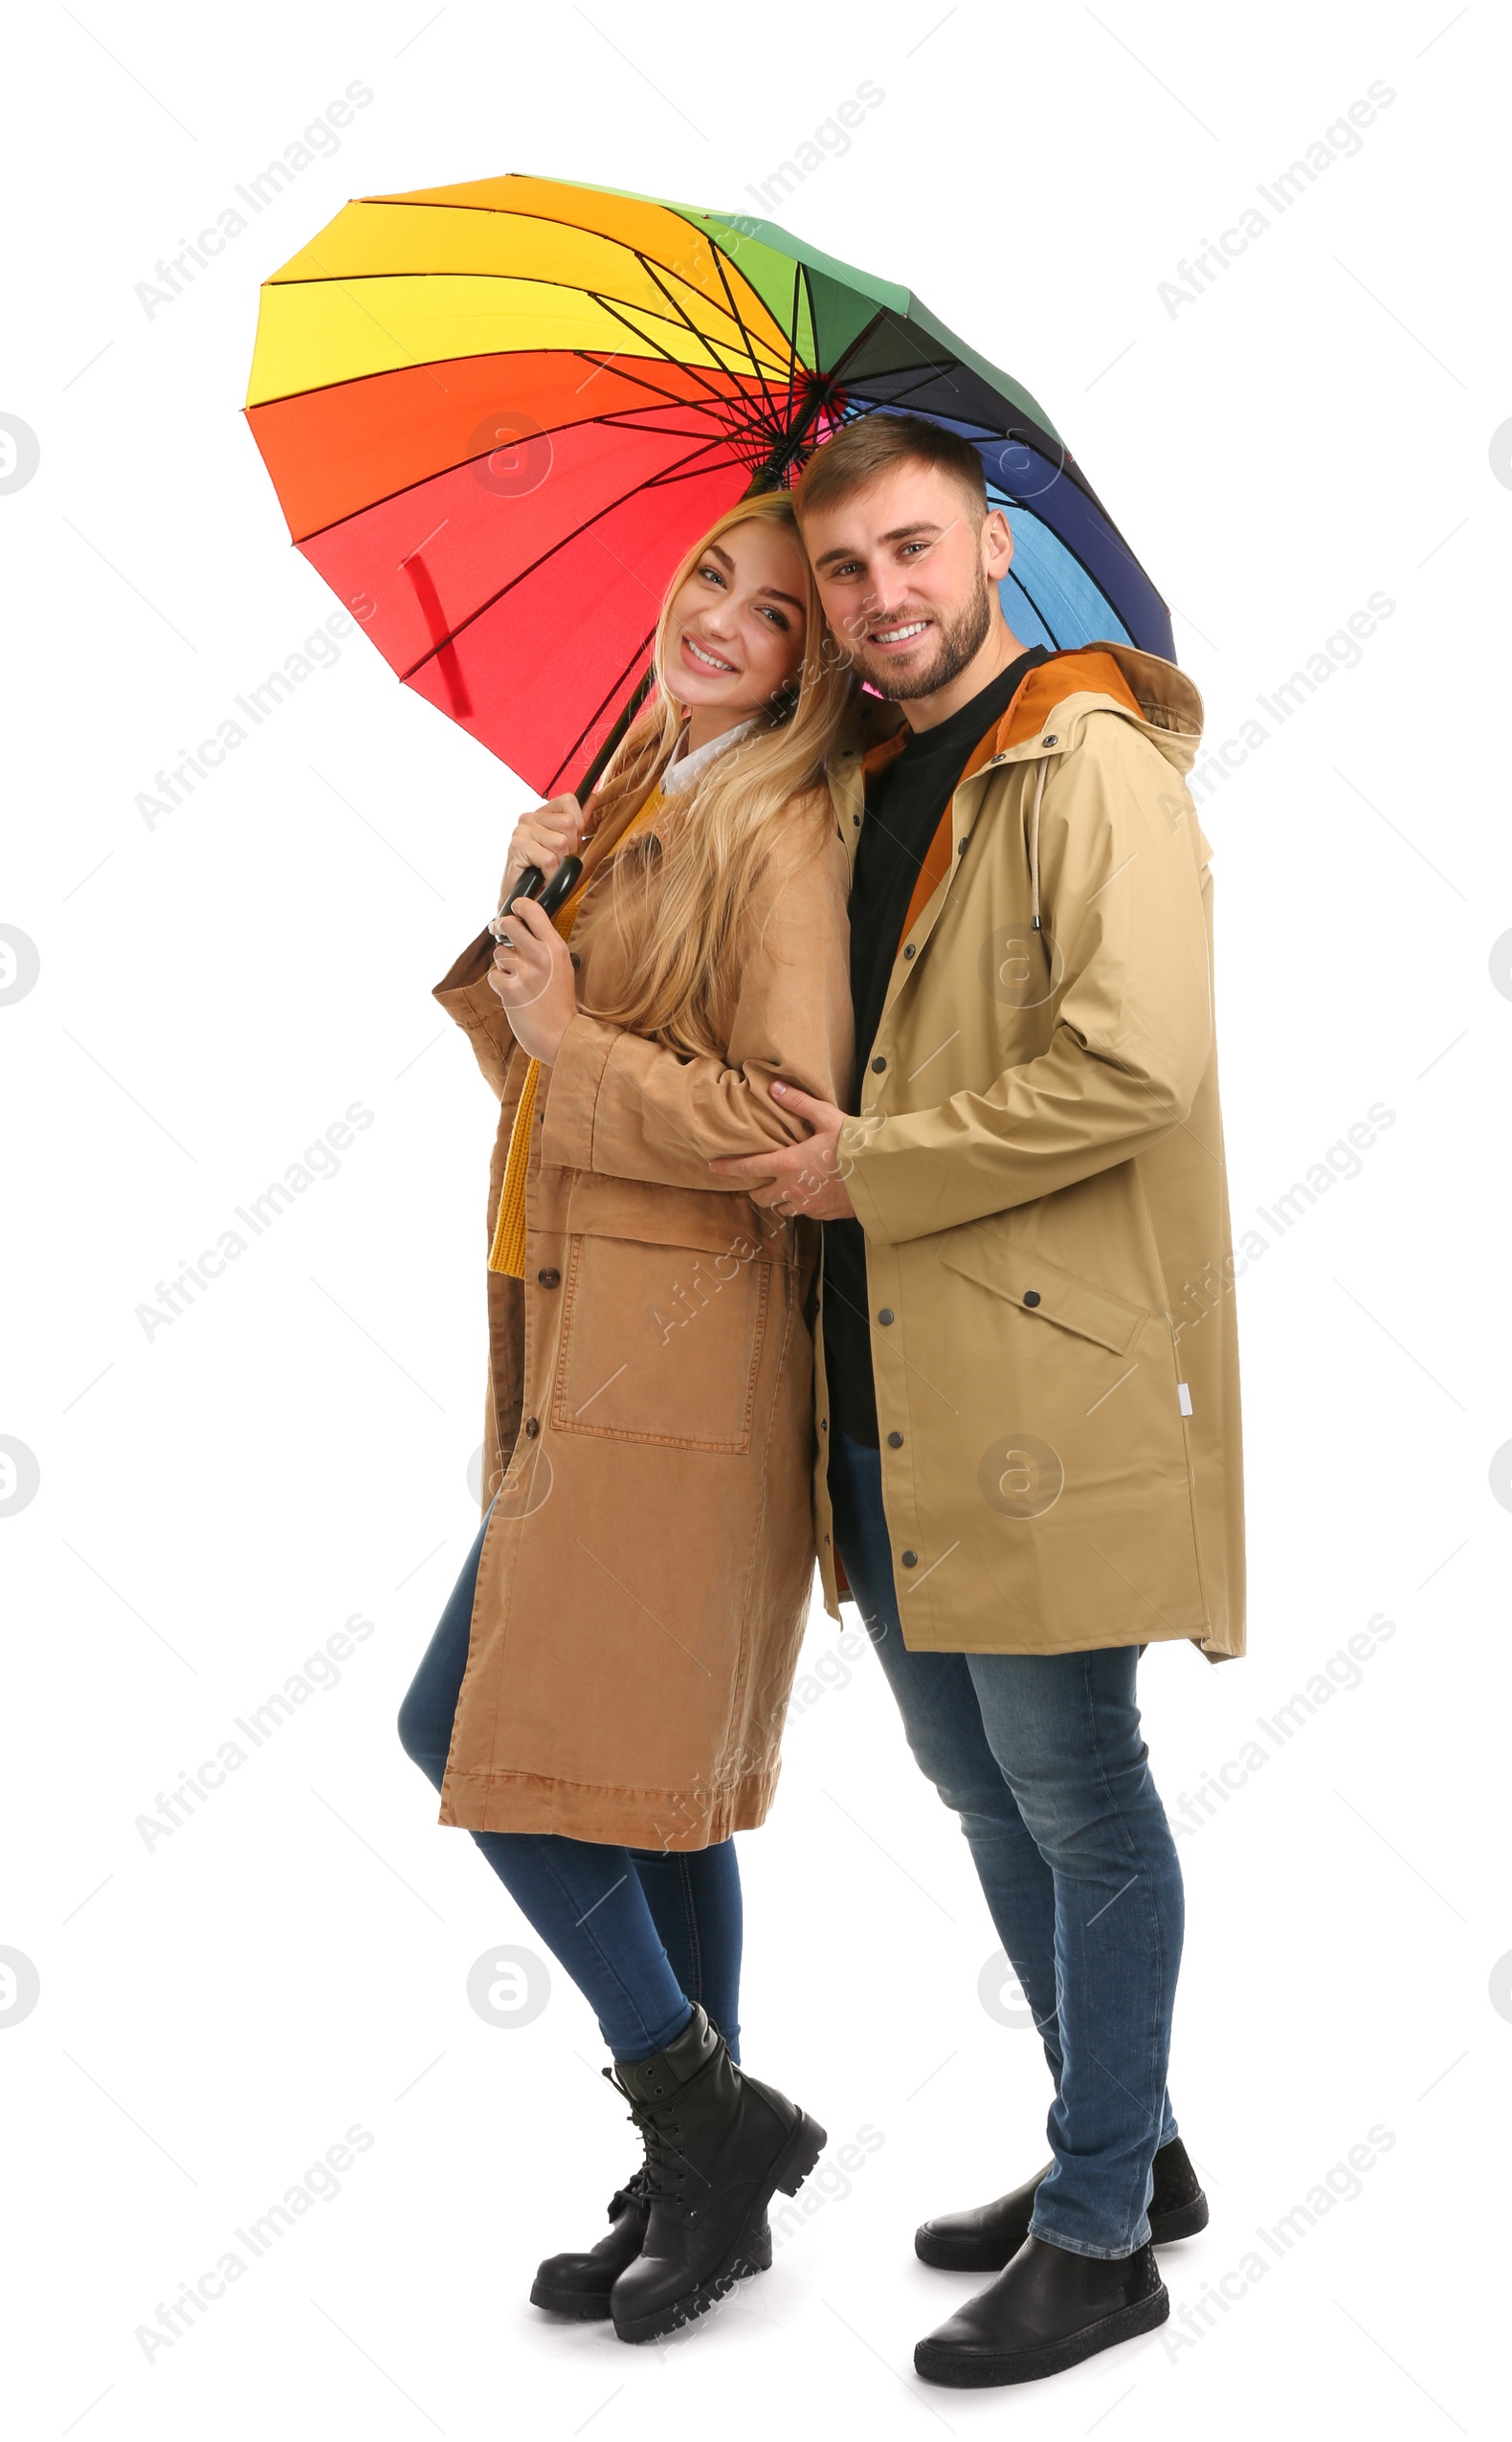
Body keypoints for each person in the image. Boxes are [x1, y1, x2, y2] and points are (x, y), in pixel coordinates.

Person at [716, 412, 1244, 2388]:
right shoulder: (850, 777)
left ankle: (1100, 2231)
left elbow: (1135, 1065)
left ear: (991, 550)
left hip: (1035, 1374)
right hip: (880, 1377)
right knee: (973, 1783)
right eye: (840, 572)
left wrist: (874, 1166)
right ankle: (1130, 2141)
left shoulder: (1084, 760)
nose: (878, 600)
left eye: (910, 552)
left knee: (1077, 1792)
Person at [397, 493, 855, 2344]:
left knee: (464, 1727)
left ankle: (699, 2108)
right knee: (657, 1791)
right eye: (704, 581)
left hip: (689, 1362)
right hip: (586, 1338)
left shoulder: (784, 824)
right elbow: (545, 1072)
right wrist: (526, 903)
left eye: (769, 608)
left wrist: (579, 1041)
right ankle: (703, 2189)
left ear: (813, 662)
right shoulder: (645, 795)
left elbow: (788, 1127)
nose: (719, 620)